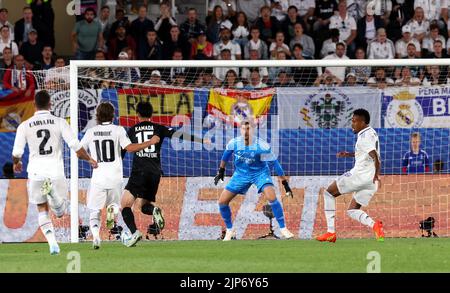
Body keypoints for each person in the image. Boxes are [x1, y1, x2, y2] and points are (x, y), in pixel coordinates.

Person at [12, 90, 97, 254]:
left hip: (36, 172)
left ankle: (52, 243)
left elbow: (16, 153)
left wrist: (17, 164)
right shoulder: (59, 122)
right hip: (55, 171)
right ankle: (53, 194)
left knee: (42, 209)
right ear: (50, 104)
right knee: (60, 212)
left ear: (34, 105)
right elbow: (76, 146)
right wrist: (89, 160)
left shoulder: (24, 125)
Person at [121, 102, 208, 247]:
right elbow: (178, 134)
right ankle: (154, 210)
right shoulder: (158, 128)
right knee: (143, 206)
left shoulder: (131, 130)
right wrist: (200, 139)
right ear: (151, 114)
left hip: (139, 171)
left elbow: (123, 151)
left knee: (125, 205)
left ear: (137, 114)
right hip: (155, 173)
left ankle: (134, 233)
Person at [80, 101, 159, 249]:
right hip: (115, 177)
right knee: (116, 205)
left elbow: (79, 150)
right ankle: (112, 212)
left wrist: (90, 159)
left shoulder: (91, 132)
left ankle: (96, 237)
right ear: (113, 115)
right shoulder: (118, 130)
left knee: (95, 210)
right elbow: (130, 148)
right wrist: (149, 142)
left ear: (97, 116)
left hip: (98, 177)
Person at [214, 120, 295, 241]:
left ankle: (283, 229)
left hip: (260, 173)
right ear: (240, 130)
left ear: (253, 130)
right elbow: (225, 156)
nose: (245, 132)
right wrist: (221, 171)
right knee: (222, 202)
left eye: (248, 129)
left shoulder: (262, 146)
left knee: (271, 197)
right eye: (243, 129)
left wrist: (285, 183)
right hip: (241, 174)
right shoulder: (234, 143)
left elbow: (275, 164)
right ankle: (230, 231)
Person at [316, 109, 384, 243]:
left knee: (328, 193)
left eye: (354, 121)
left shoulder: (363, 138)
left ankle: (330, 233)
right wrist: (349, 154)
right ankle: (375, 226)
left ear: (362, 122)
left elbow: (374, 156)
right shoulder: (371, 132)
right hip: (370, 182)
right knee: (352, 210)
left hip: (360, 176)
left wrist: (377, 175)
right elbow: (367, 153)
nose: (352, 124)